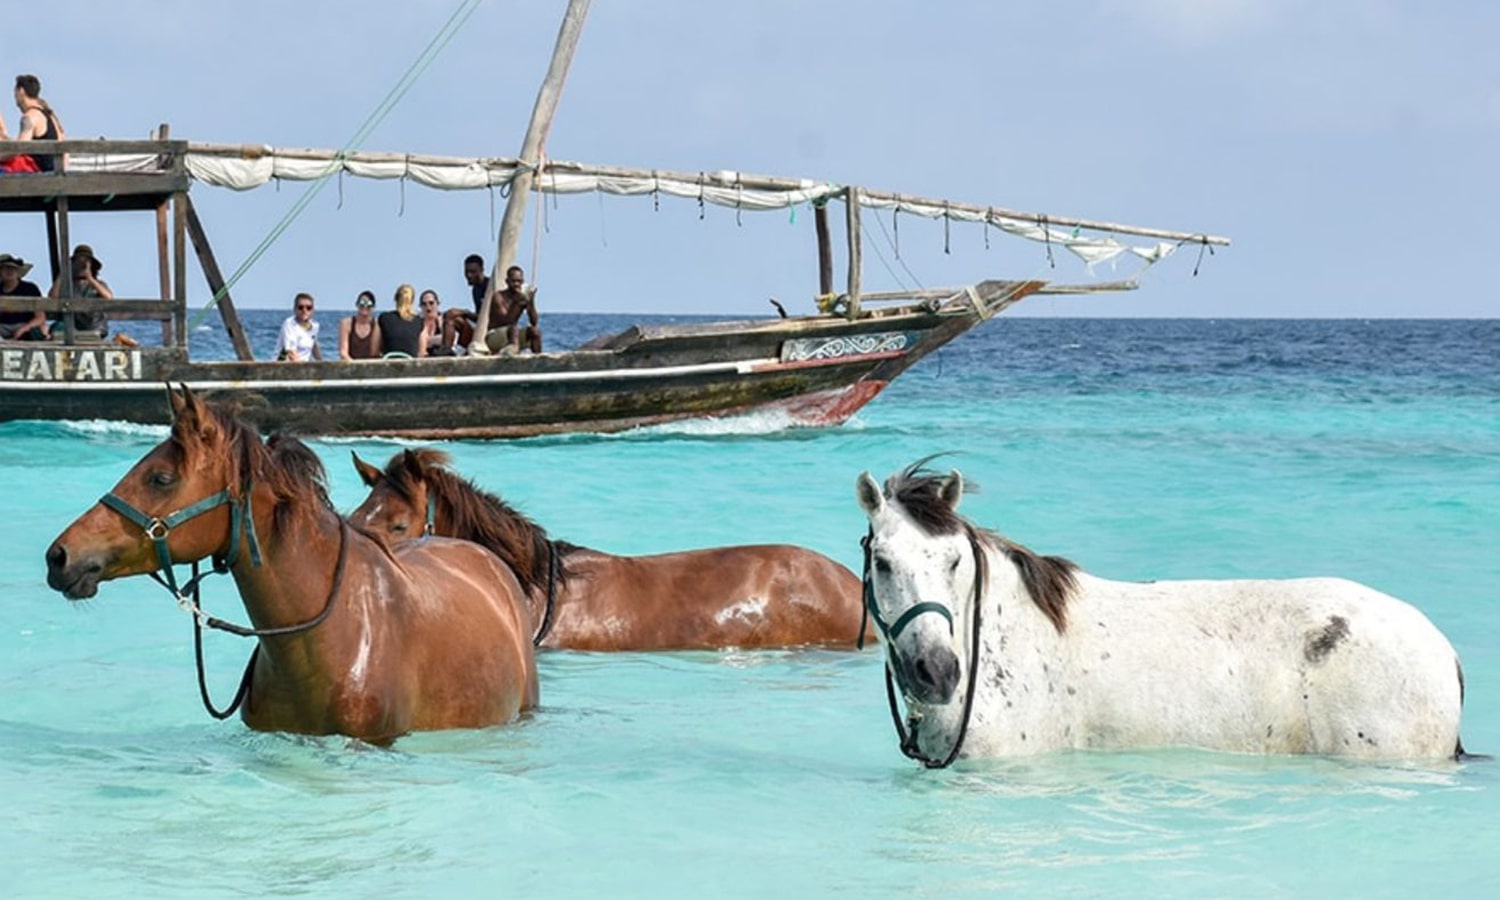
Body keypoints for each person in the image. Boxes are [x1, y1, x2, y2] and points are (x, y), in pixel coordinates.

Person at [1, 74, 64, 174]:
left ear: (21, 91)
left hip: (35, 173)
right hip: (52, 172)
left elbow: (18, 149)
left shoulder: (30, 117)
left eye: (15, 93)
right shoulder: (51, 116)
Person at [47, 244, 112, 337]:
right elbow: (52, 297)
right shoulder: (66, 285)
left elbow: (109, 297)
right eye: (78, 262)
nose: (81, 266)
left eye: (85, 263)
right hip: (71, 327)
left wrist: (89, 278)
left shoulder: (99, 284)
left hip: (94, 328)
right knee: (57, 328)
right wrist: (63, 273)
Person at [482, 265, 542, 354]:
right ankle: (513, 356)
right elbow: (506, 321)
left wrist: (531, 302)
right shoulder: (498, 297)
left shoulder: (522, 296)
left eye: (519, 281)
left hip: (513, 336)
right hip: (494, 337)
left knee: (535, 331)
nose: (517, 284)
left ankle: (539, 360)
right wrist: (516, 303)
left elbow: (534, 321)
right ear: (507, 281)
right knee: (513, 329)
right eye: (513, 281)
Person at [441, 253, 488, 351]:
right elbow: (478, 317)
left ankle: (458, 349)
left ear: (482, 270)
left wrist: (464, 312)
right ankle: (446, 350)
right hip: (478, 327)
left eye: (473, 272)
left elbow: (486, 318)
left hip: (488, 331)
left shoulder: (489, 287)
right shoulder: (476, 289)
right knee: (450, 316)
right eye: (467, 272)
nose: (469, 275)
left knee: (453, 315)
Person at [0, 253, 47, 340]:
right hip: (2, 328)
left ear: (18, 272)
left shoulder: (30, 288)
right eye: (6, 268)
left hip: (25, 325)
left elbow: (40, 317)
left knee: (37, 332)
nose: (9, 271)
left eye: (13, 269)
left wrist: (24, 328)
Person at [377, 283, 426, 358]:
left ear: (395, 299)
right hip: (411, 367)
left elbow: (376, 348)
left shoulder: (384, 318)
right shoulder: (419, 321)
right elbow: (422, 352)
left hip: (388, 364)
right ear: (412, 301)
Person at [275, 292, 322, 361]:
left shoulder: (315, 326)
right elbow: (291, 352)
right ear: (295, 309)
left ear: (313, 310)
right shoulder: (289, 324)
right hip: (285, 364)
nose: (304, 310)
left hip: (303, 365)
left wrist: (321, 363)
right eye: (300, 307)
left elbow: (314, 346)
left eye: (308, 308)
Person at [338, 289, 382, 360]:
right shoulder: (346, 324)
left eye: (369, 305)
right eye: (362, 304)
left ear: (373, 307)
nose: (365, 307)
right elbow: (343, 352)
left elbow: (375, 353)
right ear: (356, 304)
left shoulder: (378, 325)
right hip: (351, 366)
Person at [419, 289, 449, 356]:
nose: (428, 308)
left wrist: (425, 341)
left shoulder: (445, 321)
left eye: (431, 303)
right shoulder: (417, 323)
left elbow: (451, 341)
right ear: (420, 306)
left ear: (438, 304)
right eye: (424, 304)